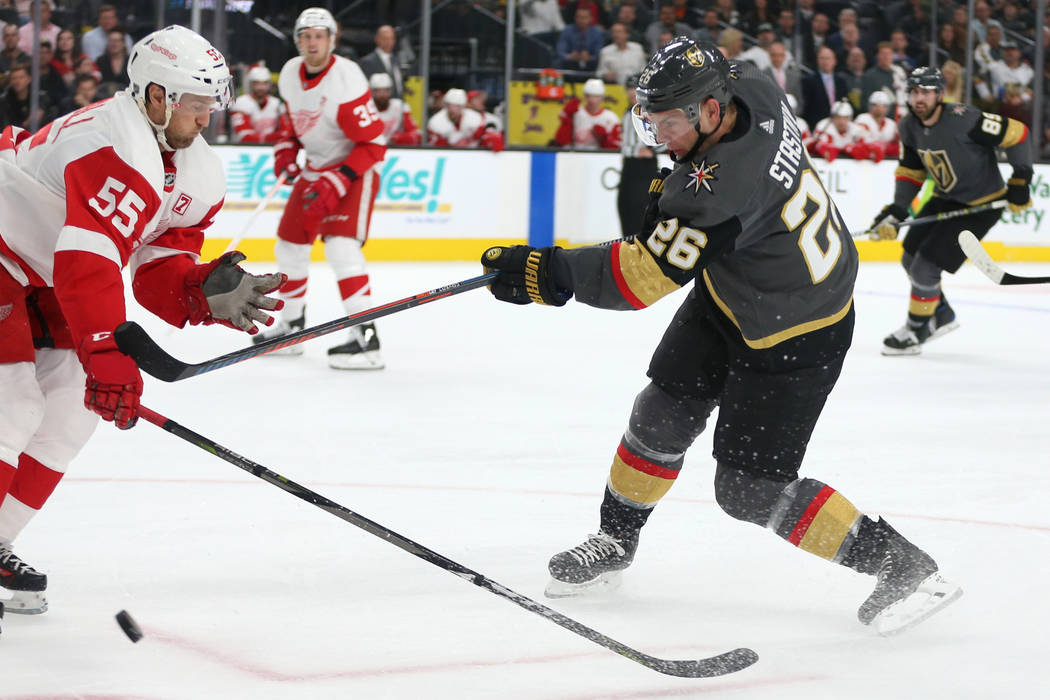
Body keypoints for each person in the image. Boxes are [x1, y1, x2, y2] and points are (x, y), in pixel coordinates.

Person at [480, 37, 961, 635]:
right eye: (651, 122)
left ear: (711, 111)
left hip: (799, 326)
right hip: (742, 288)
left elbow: (640, 279)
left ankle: (904, 566)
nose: (661, 138)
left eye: (670, 123)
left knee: (748, 487)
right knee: (659, 413)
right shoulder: (751, 84)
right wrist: (676, 179)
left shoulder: (722, 191)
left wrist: (544, 273)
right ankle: (615, 540)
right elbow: (715, 95)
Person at [0, 25, 283, 614]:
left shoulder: (195, 169)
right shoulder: (116, 142)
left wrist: (200, 289)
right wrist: (107, 350)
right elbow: (89, 258)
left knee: (73, 411)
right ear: (156, 96)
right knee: (13, 404)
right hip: (7, 251)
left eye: (213, 103)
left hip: (43, 270)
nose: (208, 118)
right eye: (197, 103)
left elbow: (154, 268)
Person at [253, 7, 387, 370]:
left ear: (332, 38)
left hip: (355, 171)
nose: (312, 42)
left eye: (319, 35)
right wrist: (285, 149)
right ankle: (292, 328)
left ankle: (366, 339)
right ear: (298, 41)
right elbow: (294, 126)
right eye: (305, 36)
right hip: (316, 170)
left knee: (342, 249)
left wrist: (339, 178)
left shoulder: (347, 78)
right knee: (290, 245)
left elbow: (374, 146)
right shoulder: (291, 76)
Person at [870, 67, 1033, 356]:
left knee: (925, 267)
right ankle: (940, 312)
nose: (920, 98)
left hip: (981, 206)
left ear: (940, 95)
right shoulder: (908, 125)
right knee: (909, 256)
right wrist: (897, 210)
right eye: (915, 92)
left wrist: (1020, 179)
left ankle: (916, 329)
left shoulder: (964, 119)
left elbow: (1018, 134)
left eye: (927, 92)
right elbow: (911, 170)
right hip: (947, 198)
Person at [616, 73, 657, 238]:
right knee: (624, 207)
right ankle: (627, 249)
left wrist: (652, 150)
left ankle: (639, 251)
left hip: (644, 169)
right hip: (630, 168)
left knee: (640, 212)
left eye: (635, 89)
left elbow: (665, 140)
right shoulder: (627, 113)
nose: (632, 92)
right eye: (629, 88)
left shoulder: (650, 112)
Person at [552, 78, 621, 150]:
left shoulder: (611, 117)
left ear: (602, 98)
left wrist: (604, 139)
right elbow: (562, 141)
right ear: (584, 97)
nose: (592, 100)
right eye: (589, 96)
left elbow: (616, 147)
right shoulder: (576, 113)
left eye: (596, 96)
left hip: (600, 157)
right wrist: (566, 118)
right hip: (577, 155)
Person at [427, 88, 501, 151]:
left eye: (457, 106)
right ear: (445, 106)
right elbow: (435, 149)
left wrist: (491, 138)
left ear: (463, 107)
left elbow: (488, 142)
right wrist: (451, 145)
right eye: (449, 105)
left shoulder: (476, 120)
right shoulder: (435, 123)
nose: (453, 109)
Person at [230, 65, 286, 143]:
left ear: (269, 84)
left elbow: (285, 133)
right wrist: (271, 138)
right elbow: (244, 136)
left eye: (264, 83)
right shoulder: (240, 103)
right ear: (250, 84)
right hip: (243, 149)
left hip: (270, 148)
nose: (261, 87)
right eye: (257, 83)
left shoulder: (277, 104)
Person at [801, 46, 848, 129]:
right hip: (817, 125)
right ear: (817, 61)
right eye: (822, 58)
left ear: (835, 61)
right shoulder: (808, 81)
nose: (825, 61)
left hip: (839, 126)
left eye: (828, 58)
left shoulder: (841, 81)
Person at [371, 72, 421, 145]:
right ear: (372, 92)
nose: (382, 95)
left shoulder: (400, 106)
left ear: (390, 91)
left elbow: (414, 134)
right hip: (373, 147)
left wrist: (398, 139)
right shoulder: (366, 108)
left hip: (395, 148)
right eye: (378, 91)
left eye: (386, 90)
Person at [359, 24, 405, 98]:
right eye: (385, 38)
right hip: (379, 105)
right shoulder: (368, 62)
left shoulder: (396, 60)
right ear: (377, 39)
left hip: (397, 105)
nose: (389, 42)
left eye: (391, 38)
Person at [854, 90, 898, 161]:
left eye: (883, 106)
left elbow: (897, 146)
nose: (879, 108)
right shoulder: (862, 119)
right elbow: (862, 141)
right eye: (875, 105)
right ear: (870, 106)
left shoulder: (891, 124)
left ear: (887, 108)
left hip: (886, 162)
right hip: (865, 161)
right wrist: (883, 146)